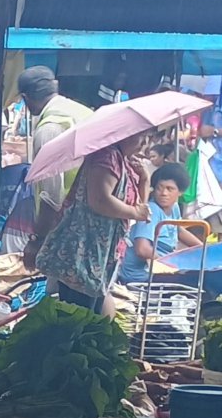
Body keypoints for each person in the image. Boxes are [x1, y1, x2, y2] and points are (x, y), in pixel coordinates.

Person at [30, 133, 151, 314]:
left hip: (100, 256)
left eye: (148, 138)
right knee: (79, 316)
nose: (144, 143)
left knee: (89, 315)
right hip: (85, 252)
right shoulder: (107, 157)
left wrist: (145, 178)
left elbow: (141, 208)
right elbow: (99, 200)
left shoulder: (123, 162)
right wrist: (134, 212)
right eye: (141, 137)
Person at [18, 66, 95, 234]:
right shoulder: (81, 112)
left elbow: (50, 196)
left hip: (68, 222)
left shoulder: (49, 129)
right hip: (93, 215)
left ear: (25, 98)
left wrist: (38, 239)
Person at [116, 162, 202, 287]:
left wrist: (204, 248)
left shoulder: (174, 207)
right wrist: (169, 265)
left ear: (180, 192)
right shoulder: (151, 210)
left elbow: (178, 230)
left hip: (158, 268)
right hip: (141, 276)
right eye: (159, 188)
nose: (163, 193)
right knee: (195, 278)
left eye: (170, 189)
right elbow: (142, 249)